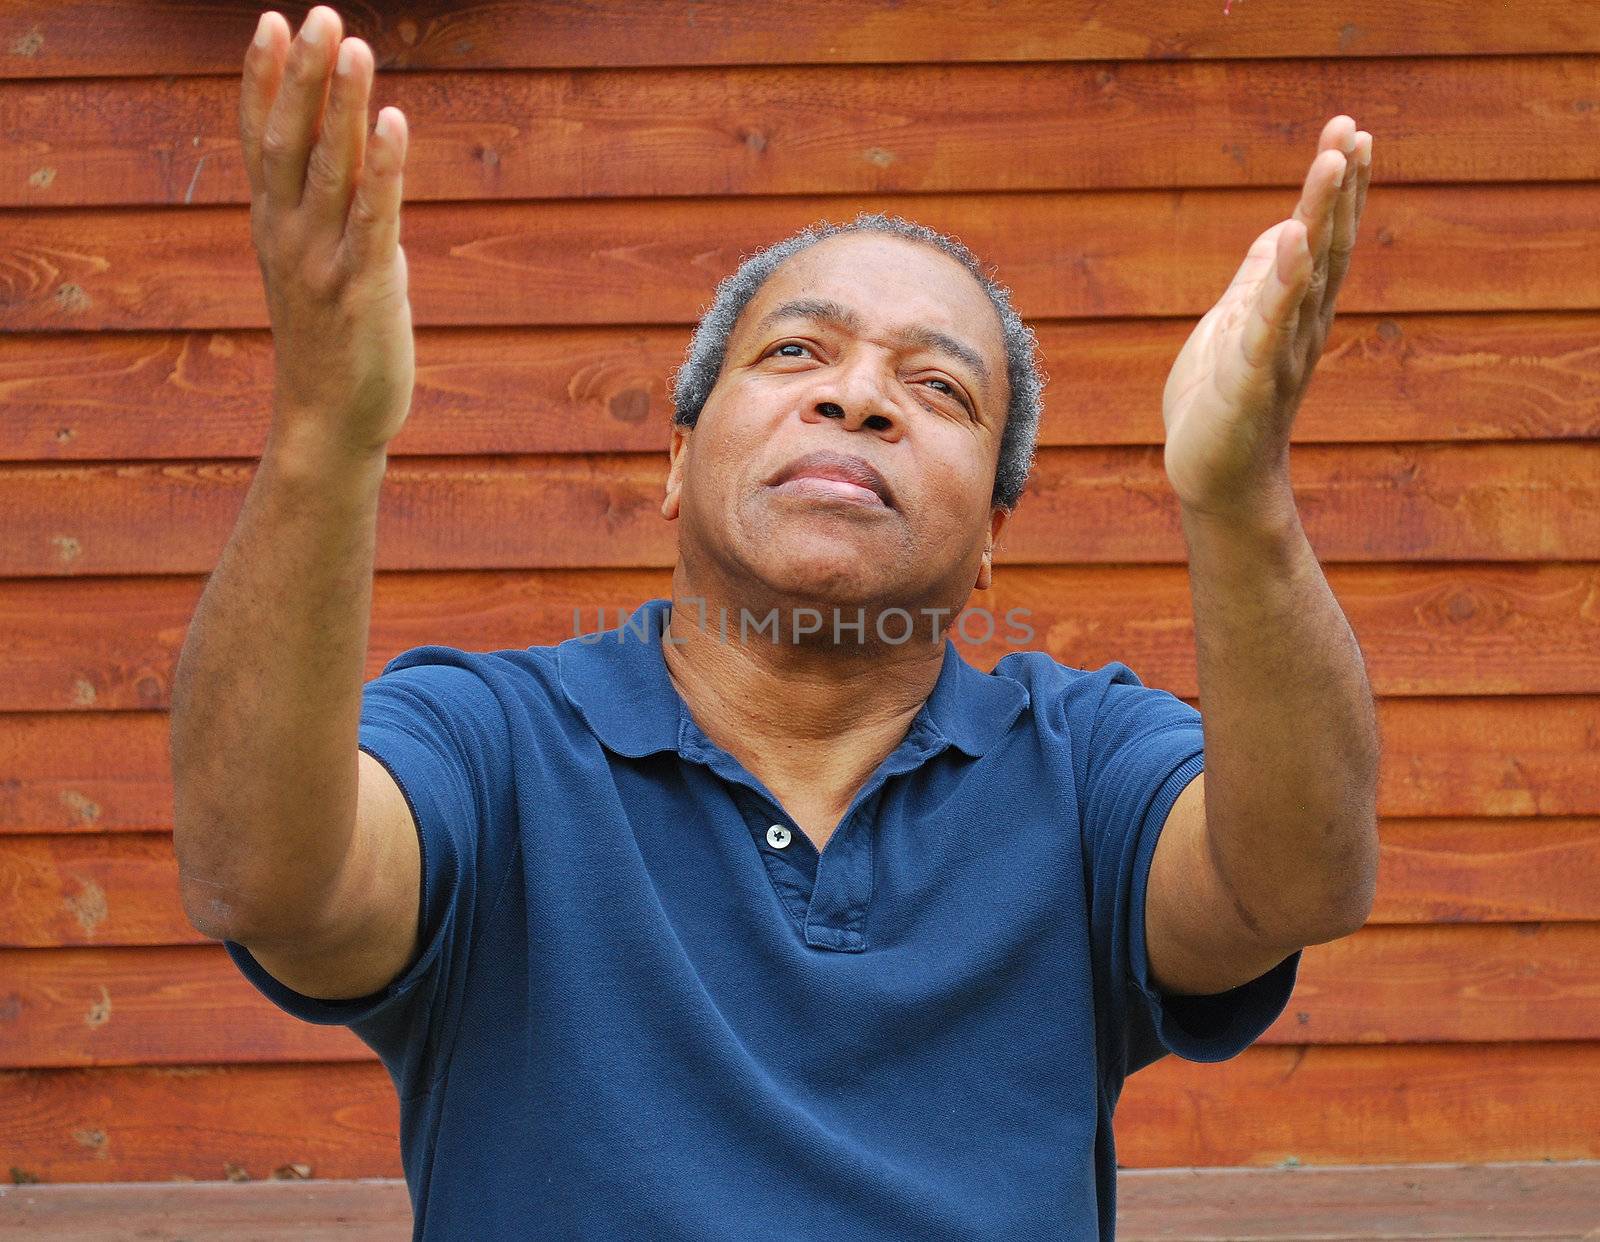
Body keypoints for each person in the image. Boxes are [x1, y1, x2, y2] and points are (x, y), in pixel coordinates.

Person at [168, 6, 1380, 1239]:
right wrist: (324, 426)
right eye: (797, 351)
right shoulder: (493, 743)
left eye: (937, 387)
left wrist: (1241, 499)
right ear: (680, 461)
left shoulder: (1084, 766)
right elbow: (264, 878)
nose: (856, 398)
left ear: (993, 533)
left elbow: (1292, 884)